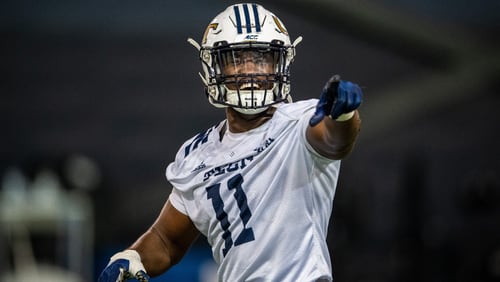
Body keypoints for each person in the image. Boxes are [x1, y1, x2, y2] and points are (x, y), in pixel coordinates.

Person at [98, 3, 363, 282]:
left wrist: (343, 115)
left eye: (261, 58)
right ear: (214, 67)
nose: (249, 70)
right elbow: (166, 240)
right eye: (236, 59)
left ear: (280, 63)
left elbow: (335, 141)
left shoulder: (302, 120)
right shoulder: (196, 153)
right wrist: (134, 255)